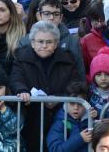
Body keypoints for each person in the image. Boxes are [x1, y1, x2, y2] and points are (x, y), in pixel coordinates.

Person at [10, 21, 83, 152]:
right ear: (32, 43)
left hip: (60, 116)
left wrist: (58, 99)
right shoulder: (21, 58)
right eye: (40, 41)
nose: (44, 45)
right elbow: (16, 79)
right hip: (31, 116)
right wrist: (22, 91)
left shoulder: (67, 59)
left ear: (56, 44)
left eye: (49, 42)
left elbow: (75, 85)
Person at [47, 81, 93, 152]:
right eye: (72, 103)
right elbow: (54, 149)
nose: (76, 108)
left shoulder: (91, 120)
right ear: (66, 102)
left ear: (87, 104)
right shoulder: (60, 123)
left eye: (80, 104)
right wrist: (80, 139)